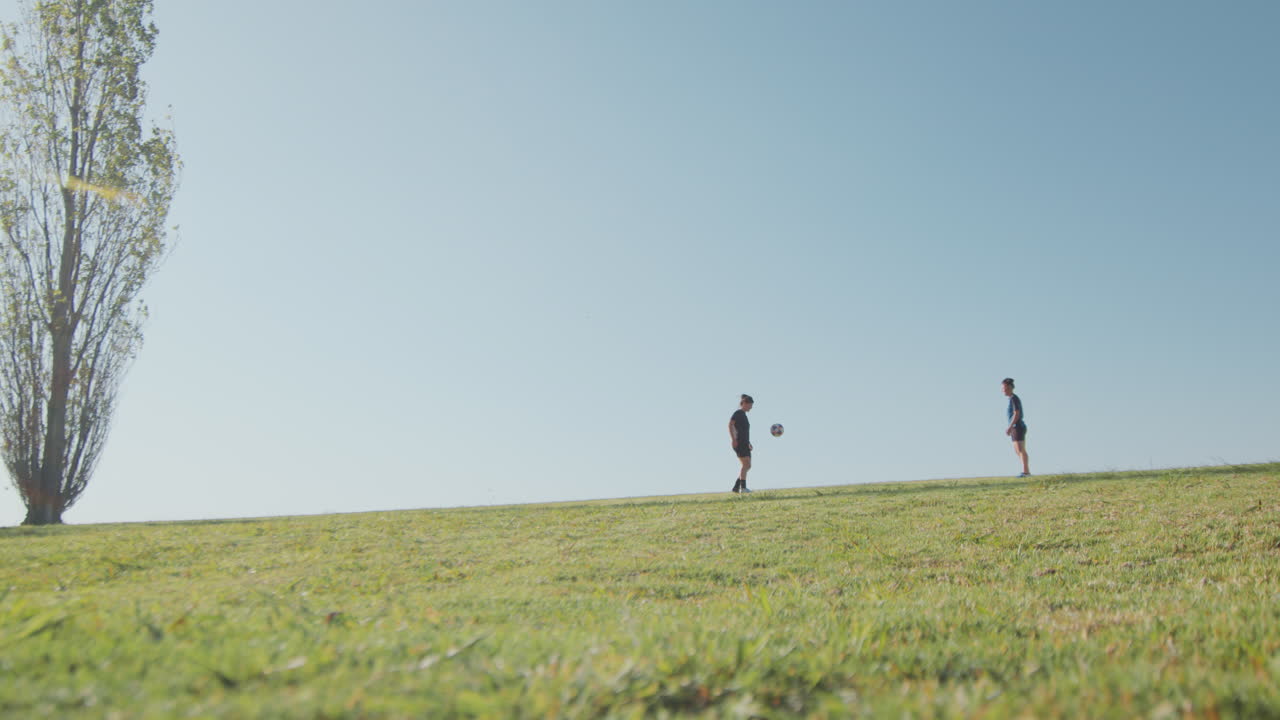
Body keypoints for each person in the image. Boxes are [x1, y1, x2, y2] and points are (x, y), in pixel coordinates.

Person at [1002, 378, 1030, 477]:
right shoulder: (1011, 399)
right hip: (1014, 427)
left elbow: (1016, 413)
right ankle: (1025, 470)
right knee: (1017, 450)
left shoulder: (1014, 398)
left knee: (1021, 449)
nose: (1003, 390)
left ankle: (1026, 472)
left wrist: (1010, 426)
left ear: (1009, 388)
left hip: (1017, 426)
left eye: (1004, 388)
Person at [729, 394, 754, 493]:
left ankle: (736, 488)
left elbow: (744, 431)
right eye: (750, 405)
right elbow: (730, 425)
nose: (751, 407)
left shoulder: (744, 415)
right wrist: (733, 439)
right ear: (744, 403)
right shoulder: (738, 413)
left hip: (744, 443)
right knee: (746, 464)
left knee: (747, 466)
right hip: (739, 443)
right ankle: (742, 488)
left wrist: (748, 442)